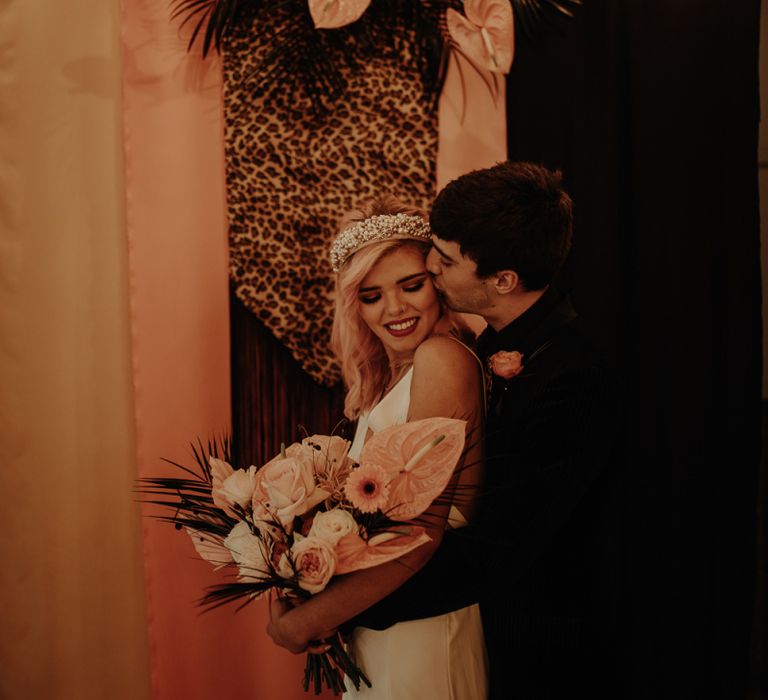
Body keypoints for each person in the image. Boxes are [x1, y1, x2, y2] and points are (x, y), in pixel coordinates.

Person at [346, 161, 625, 699]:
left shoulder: (577, 378)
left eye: (445, 261)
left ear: (502, 280)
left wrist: (341, 607)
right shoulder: (483, 350)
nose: (431, 265)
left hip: (546, 655)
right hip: (476, 629)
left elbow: (500, 549)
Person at [266, 196, 489, 698]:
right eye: (371, 295)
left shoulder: (441, 358)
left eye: (411, 285)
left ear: (437, 282)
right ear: (354, 304)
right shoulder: (383, 383)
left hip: (425, 624)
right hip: (381, 617)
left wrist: (301, 624)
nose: (395, 309)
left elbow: (419, 532)